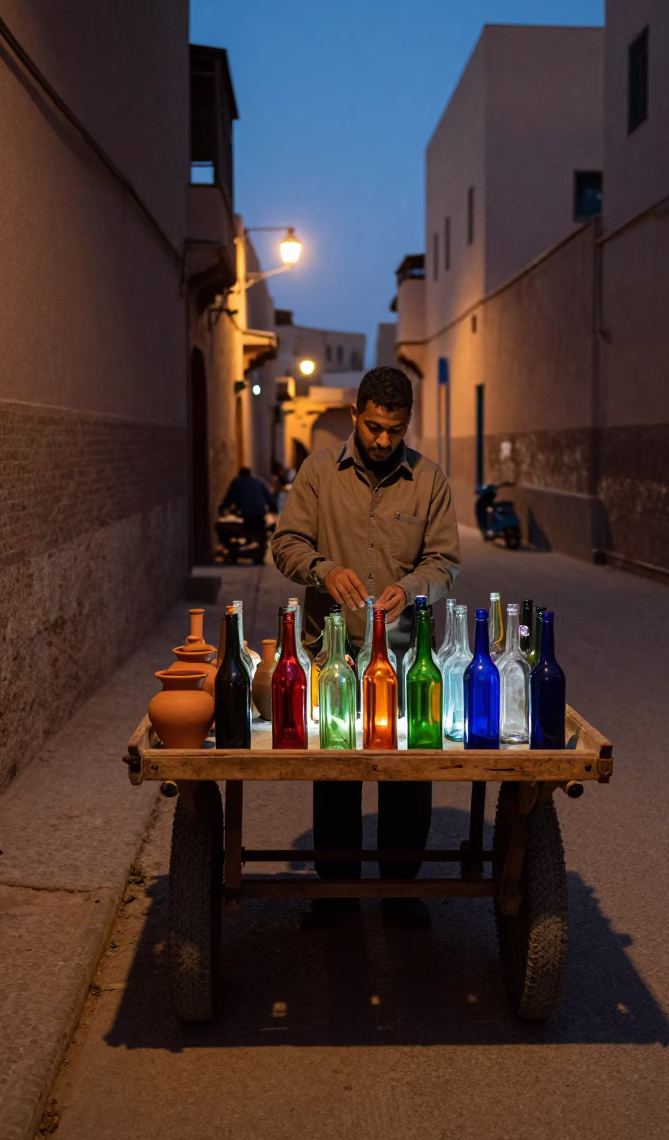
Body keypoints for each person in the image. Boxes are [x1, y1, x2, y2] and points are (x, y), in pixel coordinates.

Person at [271, 366, 460, 927]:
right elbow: (285, 544)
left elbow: (446, 561)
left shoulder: (430, 480)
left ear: (408, 426)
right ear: (355, 416)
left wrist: (414, 587)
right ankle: (338, 895)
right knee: (336, 775)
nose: (383, 441)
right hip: (332, 656)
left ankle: (401, 892)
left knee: (406, 775)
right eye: (374, 427)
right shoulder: (317, 473)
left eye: (395, 431)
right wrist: (323, 571)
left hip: (406, 657)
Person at [219, 467, 276, 563]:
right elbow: (269, 497)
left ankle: (238, 550)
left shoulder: (237, 482)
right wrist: (273, 508)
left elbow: (229, 498)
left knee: (245, 529)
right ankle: (258, 550)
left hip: (246, 514)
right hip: (260, 514)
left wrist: (224, 507)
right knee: (259, 531)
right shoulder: (258, 482)